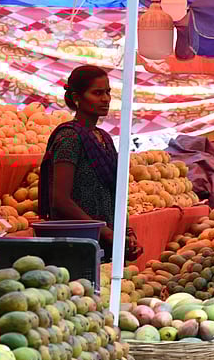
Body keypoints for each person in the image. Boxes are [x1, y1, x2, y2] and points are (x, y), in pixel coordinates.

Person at [38, 65, 142, 263]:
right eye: (97, 93)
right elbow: (60, 200)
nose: (106, 99)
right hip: (80, 244)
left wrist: (126, 233)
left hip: (106, 243)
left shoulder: (104, 138)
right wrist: (104, 232)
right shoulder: (69, 138)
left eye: (108, 92)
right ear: (77, 97)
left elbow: (115, 194)